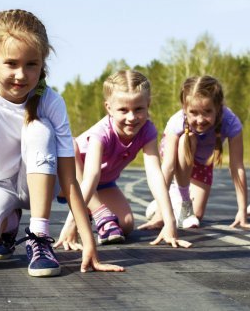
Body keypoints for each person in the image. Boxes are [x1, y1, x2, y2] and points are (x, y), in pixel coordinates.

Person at [0, 9, 123, 277]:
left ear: (43, 62)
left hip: (40, 186)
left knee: (38, 130)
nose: (21, 75)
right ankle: (8, 224)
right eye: (11, 63)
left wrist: (89, 243)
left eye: (31, 64)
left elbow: (69, 179)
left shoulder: (51, 102)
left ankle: (39, 237)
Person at [55, 70, 191, 251]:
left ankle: (94, 213)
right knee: (70, 146)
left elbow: (155, 175)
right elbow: (91, 176)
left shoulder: (147, 130)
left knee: (125, 225)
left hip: (103, 184)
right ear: (109, 108)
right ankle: (95, 212)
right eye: (123, 110)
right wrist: (73, 223)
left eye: (138, 109)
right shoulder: (101, 133)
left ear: (148, 104)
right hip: (68, 181)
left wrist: (170, 221)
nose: (131, 117)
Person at [145, 75, 250, 230]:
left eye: (207, 112)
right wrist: (160, 214)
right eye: (193, 113)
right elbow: (168, 168)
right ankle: (182, 201)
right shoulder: (177, 122)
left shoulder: (231, 122)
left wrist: (242, 212)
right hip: (177, 153)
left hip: (202, 161)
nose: (200, 120)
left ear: (218, 108)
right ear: (184, 108)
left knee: (197, 215)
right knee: (188, 139)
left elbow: (237, 167)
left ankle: (174, 197)